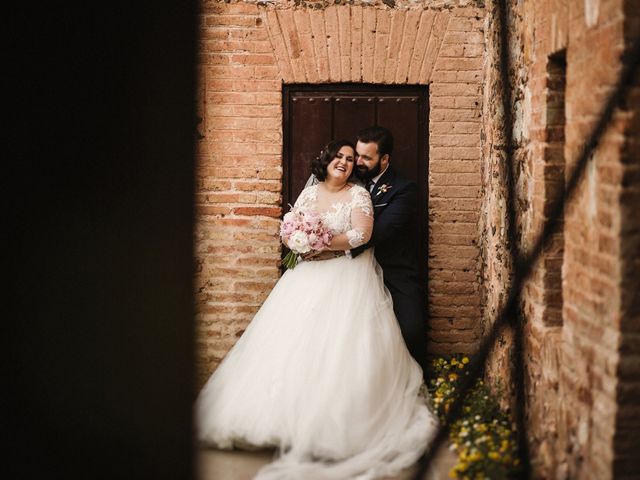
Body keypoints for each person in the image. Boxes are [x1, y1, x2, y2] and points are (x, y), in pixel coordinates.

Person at [196, 139, 437, 479]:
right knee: (291, 344)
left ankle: (334, 427)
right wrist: (299, 240)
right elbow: (290, 228)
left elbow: (361, 234)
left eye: (351, 159)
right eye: (339, 156)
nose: (344, 162)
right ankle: (280, 421)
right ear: (326, 160)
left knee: (340, 345)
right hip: (305, 277)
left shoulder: (358, 195)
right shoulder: (309, 194)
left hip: (346, 277)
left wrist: (323, 244)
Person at [351, 126, 429, 375]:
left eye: (367, 157)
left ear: (385, 159)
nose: (359, 162)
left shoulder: (403, 189)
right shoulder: (346, 179)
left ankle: (416, 385)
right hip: (352, 271)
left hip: (393, 270)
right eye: (357, 154)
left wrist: (329, 245)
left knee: (412, 329)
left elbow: (380, 231)